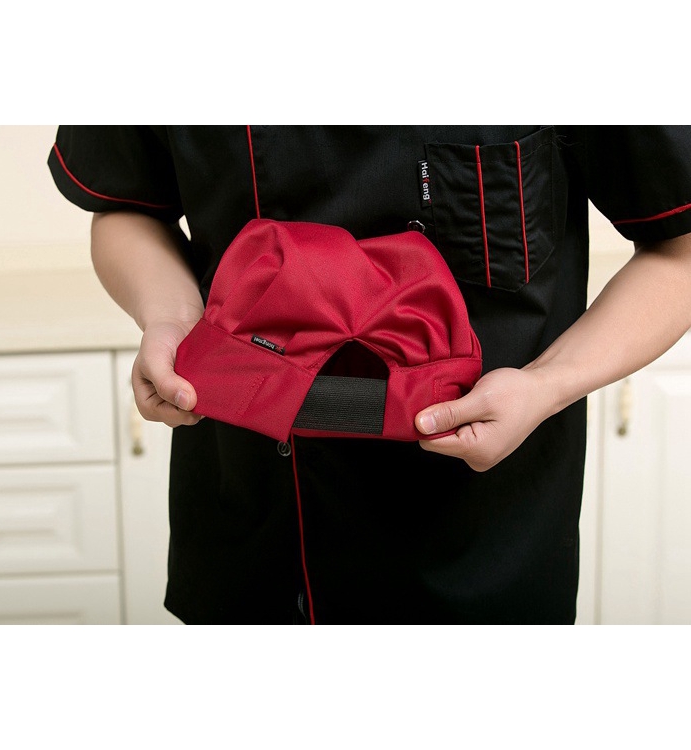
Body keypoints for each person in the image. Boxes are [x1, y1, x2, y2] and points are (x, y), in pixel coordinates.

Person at [48, 126, 691, 625]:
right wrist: (170, 318)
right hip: (246, 519)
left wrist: (548, 385)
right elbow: (127, 207)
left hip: (485, 542)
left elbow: (680, 253)